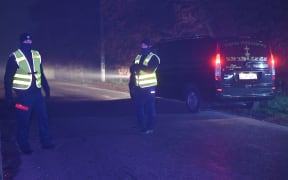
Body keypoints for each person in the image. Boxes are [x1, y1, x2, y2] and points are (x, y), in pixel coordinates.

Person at [4, 33, 54, 154]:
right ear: (21, 42)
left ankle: (46, 142)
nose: (28, 43)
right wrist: (9, 96)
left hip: (37, 95)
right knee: (24, 121)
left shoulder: (36, 55)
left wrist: (46, 88)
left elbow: (40, 73)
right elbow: (8, 78)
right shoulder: (14, 57)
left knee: (43, 119)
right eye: (25, 41)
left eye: (29, 41)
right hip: (23, 96)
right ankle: (23, 144)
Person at [129, 39, 160, 134]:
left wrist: (138, 67)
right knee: (138, 107)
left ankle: (150, 128)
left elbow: (150, 70)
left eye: (144, 45)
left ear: (149, 46)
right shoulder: (138, 56)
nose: (142, 47)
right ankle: (142, 127)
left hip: (149, 87)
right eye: (141, 45)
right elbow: (132, 69)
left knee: (150, 108)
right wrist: (132, 85)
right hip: (138, 87)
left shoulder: (154, 57)